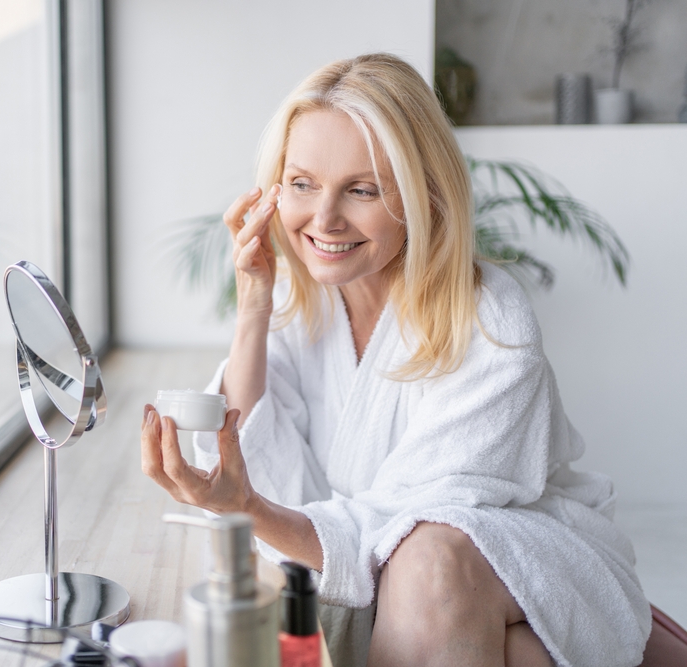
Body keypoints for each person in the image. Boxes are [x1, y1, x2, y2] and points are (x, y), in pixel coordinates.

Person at [140, 54, 650, 667]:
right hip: (392, 586)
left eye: (362, 190)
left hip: (508, 559)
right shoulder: (304, 305)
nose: (324, 219)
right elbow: (257, 459)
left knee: (426, 557)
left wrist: (249, 508)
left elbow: (394, 530)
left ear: (423, 196)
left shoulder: (491, 324)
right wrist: (252, 306)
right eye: (302, 184)